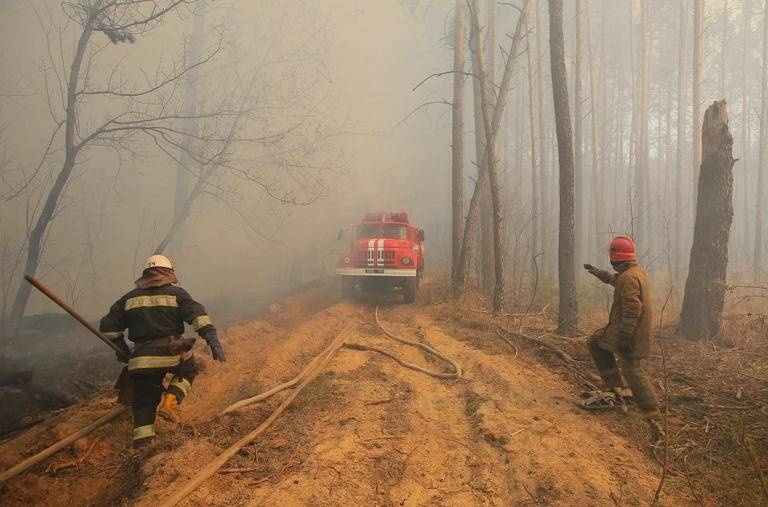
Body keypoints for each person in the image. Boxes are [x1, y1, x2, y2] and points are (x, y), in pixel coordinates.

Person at [99, 254, 226, 448]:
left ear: (146, 274)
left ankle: (143, 444)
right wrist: (211, 337)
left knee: (144, 402)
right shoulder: (177, 294)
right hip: (170, 354)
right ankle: (170, 402)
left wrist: (122, 350)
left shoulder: (128, 299)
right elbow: (198, 316)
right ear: (168, 273)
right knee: (189, 369)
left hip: (141, 360)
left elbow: (108, 328)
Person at [582, 236, 661, 430]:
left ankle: (650, 408)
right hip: (623, 330)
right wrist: (597, 272)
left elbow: (633, 309)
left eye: (611, 255)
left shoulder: (630, 278)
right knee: (596, 342)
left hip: (631, 333)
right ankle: (612, 382)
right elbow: (614, 280)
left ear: (617, 258)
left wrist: (625, 337)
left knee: (632, 368)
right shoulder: (632, 273)